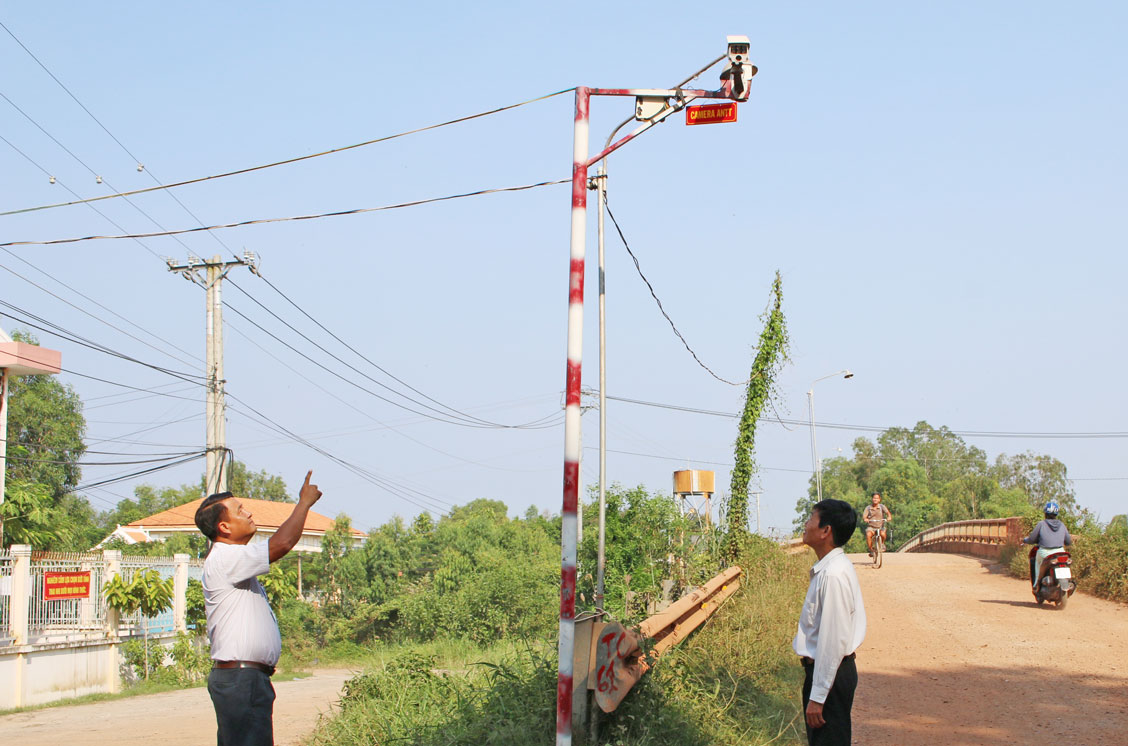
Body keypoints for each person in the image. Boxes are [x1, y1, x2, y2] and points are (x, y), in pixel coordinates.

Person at [193, 470, 323, 746]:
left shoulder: (233, 560)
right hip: (241, 681)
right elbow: (282, 544)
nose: (249, 514)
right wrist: (303, 504)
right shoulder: (225, 558)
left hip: (245, 680)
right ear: (224, 528)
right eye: (239, 511)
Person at [793, 499, 867, 746]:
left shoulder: (833, 575)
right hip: (830, 673)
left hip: (831, 675)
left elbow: (833, 641)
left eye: (811, 518)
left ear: (826, 531)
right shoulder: (829, 569)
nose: (806, 524)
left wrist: (819, 695)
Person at [1020, 500, 1072, 592]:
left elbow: (1032, 539)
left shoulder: (1041, 524)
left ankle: (1036, 585)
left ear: (1045, 513)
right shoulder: (1062, 525)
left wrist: (1025, 540)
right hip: (1060, 552)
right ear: (1056, 514)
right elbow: (1068, 541)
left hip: (1045, 552)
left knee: (1037, 563)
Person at [862, 492, 892, 557]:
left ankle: (882, 544)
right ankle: (871, 550)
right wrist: (865, 519)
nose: (875, 499)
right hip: (871, 527)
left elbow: (888, 513)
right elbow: (864, 516)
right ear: (872, 499)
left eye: (877, 498)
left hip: (880, 526)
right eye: (874, 498)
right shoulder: (868, 508)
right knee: (868, 535)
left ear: (879, 499)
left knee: (883, 534)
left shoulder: (882, 507)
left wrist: (889, 517)